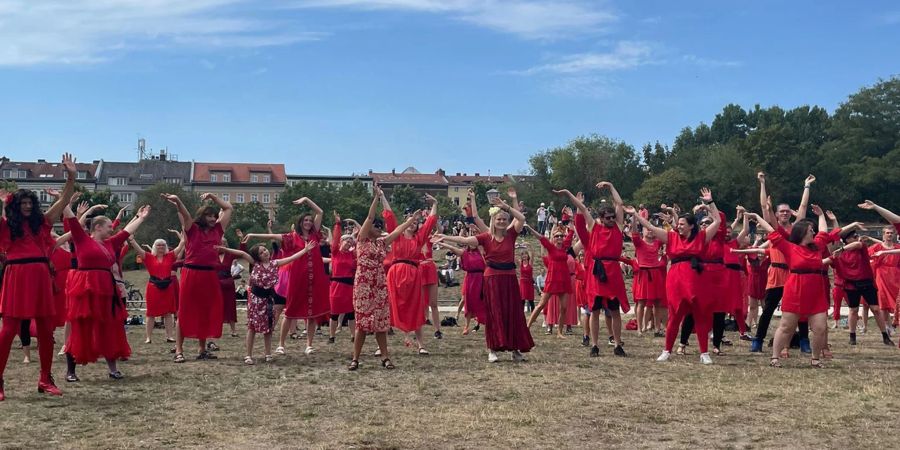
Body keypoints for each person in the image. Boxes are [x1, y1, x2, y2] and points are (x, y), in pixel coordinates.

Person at [0, 153, 78, 400]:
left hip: (41, 276)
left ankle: (45, 378)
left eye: (30, 203)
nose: (27, 206)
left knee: (46, 331)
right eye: (22, 203)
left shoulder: (43, 223)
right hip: (17, 276)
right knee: (8, 329)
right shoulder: (5, 226)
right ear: (15, 206)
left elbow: (64, 200)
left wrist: (72, 176)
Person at [749, 212, 862, 368]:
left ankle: (815, 359)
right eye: (810, 230)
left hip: (816, 291)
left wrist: (821, 215)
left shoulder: (817, 246)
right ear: (802, 233)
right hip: (795, 289)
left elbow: (824, 231)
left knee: (820, 328)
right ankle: (775, 357)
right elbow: (770, 229)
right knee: (786, 327)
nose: (813, 232)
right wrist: (757, 216)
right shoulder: (788, 247)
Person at [433, 192, 533, 363]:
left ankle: (515, 349)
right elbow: (465, 239)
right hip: (492, 279)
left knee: (513, 313)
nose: (501, 222)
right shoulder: (485, 237)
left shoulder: (511, 234)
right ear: (493, 221)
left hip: (509, 278)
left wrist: (506, 206)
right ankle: (492, 349)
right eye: (498, 219)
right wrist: (445, 237)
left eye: (504, 219)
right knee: (494, 314)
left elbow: (521, 218)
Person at [628, 188, 722, 365]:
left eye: (682, 224)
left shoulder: (701, 237)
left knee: (701, 315)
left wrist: (710, 202)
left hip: (696, 280)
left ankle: (704, 352)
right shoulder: (671, 237)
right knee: (674, 316)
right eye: (678, 224)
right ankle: (667, 350)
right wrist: (635, 215)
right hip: (676, 279)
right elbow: (650, 227)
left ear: (691, 225)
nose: (678, 226)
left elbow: (717, 220)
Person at [63, 203, 151, 381]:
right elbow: (71, 219)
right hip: (86, 288)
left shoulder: (110, 243)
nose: (112, 229)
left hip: (106, 288)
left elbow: (126, 231)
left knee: (110, 325)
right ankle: (70, 371)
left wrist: (140, 218)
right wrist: (63, 200)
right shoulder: (81, 239)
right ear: (97, 227)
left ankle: (113, 369)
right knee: (81, 327)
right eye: (109, 226)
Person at [243, 197, 329, 356]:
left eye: (310, 220)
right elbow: (272, 237)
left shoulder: (315, 235)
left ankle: (309, 344)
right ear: (300, 222)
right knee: (289, 311)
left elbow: (320, 211)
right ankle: (281, 344)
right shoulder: (292, 237)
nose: (309, 222)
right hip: (297, 277)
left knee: (313, 313)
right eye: (306, 220)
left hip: (315, 278)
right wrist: (253, 234)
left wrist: (307, 200)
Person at [349, 187, 419, 370]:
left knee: (380, 323)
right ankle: (355, 358)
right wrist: (377, 198)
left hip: (379, 284)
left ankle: (385, 357)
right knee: (362, 324)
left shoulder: (381, 242)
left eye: (381, 226)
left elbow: (397, 231)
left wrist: (411, 220)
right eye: (376, 226)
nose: (379, 228)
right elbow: (370, 217)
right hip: (364, 285)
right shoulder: (362, 240)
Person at [559, 184, 629, 358]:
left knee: (614, 311)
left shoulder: (619, 228)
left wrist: (611, 186)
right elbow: (582, 209)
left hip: (612, 271)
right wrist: (570, 194)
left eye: (613, 217)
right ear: (601, 218)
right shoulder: (594, 227)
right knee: (595, 311)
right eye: (608, 217)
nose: (612, 219)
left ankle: (618, 344)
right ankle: (595, 345)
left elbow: (620, 204)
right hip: (597, 272)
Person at [218, 240, 316, 365]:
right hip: (255, 299)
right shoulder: (255, 263)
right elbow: (241, 253)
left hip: (268, 299)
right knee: (252, 327)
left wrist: (305, 250)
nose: (265, 252)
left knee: (268, 328)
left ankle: (268, 354)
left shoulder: (275, 263)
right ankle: (248, 355)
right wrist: (225, 249)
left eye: (264, 250)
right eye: (261, 252)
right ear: (257, 256)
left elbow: (291, 258)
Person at [162, 192, 233, 363]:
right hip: (191, 273)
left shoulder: (218, 229)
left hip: (209, 274)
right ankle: (179, 350)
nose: (213, 218)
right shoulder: (192, 229)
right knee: (185, 312)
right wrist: (178, 200)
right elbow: (185, 214)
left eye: (214, 215)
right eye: (209, 215)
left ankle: (202, 349)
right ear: (202, 216)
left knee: (205, 311)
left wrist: (213, 197)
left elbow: (228, 207)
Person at [750, 173, 815, 354]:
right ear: (776, 214)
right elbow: (764, 207)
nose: (785, 213)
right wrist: (762, 183)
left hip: (794, 273)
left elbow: (802, 207)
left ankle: (804, 341)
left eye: (787, 211)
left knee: (800, 310)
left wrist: (807, 186)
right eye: (781, 211)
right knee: (769, 309)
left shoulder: (797, 230)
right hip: (776, 273)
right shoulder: (774, 228)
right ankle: (758, 340)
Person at [832, 228, 894, 346]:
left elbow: (858, 243)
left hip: (866, 282)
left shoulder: (861, 248)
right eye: (854, 236)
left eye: (857, 235)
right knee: (853, 310)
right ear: (846, 240)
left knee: (875, 309)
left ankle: (885, 336)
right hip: (851, 284)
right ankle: (852, 336)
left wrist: (842, 248)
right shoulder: (841, 255)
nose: (857, 237)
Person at [128, 230, 184, 344]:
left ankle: (169, 336)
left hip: (168, 287)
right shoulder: (148, 257)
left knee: (168, 313)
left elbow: (181, 245)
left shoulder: (170, 256)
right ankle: (148, 337)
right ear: (154, 246)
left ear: (166, 247)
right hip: (153, 287)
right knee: (151, 313)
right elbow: (138, 249)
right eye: (158, 245)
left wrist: (183, 237)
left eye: (163, 245)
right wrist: (132, 240)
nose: (161, 247)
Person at [525, 224, 573, 338]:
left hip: (564, 279)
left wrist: (571, 223)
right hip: (553, 279)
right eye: (557, 236)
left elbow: (571, 234)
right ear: (553, 238)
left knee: (564, 307)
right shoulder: (551, 247)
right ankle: (527, 327)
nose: (560, 238)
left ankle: (559, 332)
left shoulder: (565, 246)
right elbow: (540, 237)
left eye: (561, 236)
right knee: (541, 304)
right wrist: (529, 227)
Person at [630, 213, 667, 337]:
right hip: (644, 274)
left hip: (656, 274)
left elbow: (670, 235)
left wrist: (668, 221)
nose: (650, 232)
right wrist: (634, 218)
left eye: (652, 230)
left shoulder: (657, 243)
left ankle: (657, 329)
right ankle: (640, 328)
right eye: (648, 229)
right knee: (641, 302)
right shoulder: (639, 242)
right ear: (643, 231)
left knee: (657, 303)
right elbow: (634, 232)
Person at [328, 213, 357, 344]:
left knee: (351, 313)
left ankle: (353, 336)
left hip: (350, 286)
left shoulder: (353, 255)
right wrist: (338, 224)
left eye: (350, 241)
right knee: (334, 313)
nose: (348, 243)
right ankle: (332, 336)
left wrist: (356, 228)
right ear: (341, 241)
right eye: (346, 240)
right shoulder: (335, 253)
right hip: (336, 285)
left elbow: (361, 240)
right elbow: (335, 239)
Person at [869, 226, 900, 331]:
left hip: (895, 276)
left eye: (891, 233)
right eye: (887, 233)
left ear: (894, 235)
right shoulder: (876, 247)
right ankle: (886, 326)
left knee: (896, 300)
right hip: (881, 275)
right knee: (882, 300)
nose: (889, 235)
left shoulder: (897, 248)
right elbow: (869, 258)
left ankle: (893, 322)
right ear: (883, 234)